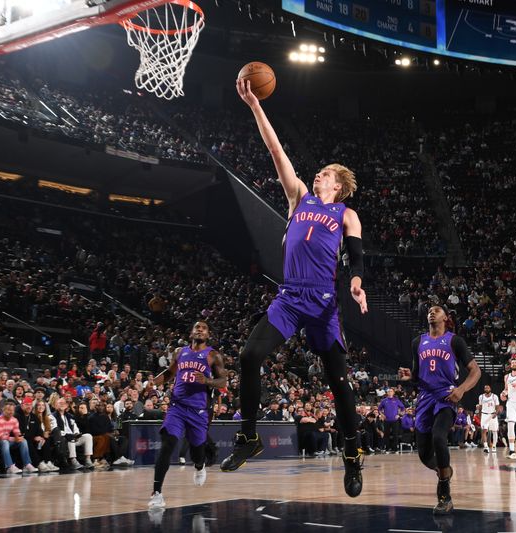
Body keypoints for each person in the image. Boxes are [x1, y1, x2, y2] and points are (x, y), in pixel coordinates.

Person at [221, 78, 368, 500]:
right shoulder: (299, 197)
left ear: (337, 185)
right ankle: (248, 437)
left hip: (323, 302)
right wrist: (254, 105)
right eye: (318, 172)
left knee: (339, 383)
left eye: (325, 173)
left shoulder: (346, 213)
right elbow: (275, 150)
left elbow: (355, 257)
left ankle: (352, 453)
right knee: (249, 356)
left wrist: (356, 283)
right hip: (289, 296)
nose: (317, 174)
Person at [399, 305, 481, 514]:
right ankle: (444, 471)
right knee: (425, 455)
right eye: (430, 310)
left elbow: (476, 371)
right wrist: (410, 378)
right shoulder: (418, 342)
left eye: (437, 310)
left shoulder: (455, 341)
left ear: (446, 317)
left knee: (438, 437)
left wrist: (461, 389)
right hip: (425, 398)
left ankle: (445, 495)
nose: (432, 312)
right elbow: (417, 377)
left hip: (446, 396)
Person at [149, 321, 227, 509]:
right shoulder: (180, 352)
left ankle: (199, 467)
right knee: (168, 444)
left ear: (208, 335)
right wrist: (154, 382)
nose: (200, 329)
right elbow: (170, 373)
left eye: (204, 328)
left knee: (197, 452)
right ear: (191, 332)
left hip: (198, 411)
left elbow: (223, 380)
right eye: (197, 327)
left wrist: (207, 380)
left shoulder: (213, 355)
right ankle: (157, 493)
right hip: (177, 406)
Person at [0, 402, 38, 474]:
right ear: (3, 410)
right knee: (5, 442)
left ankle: (27, 464)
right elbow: (0, 436)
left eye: (12, 410)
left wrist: (19, 437)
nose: (10, 412)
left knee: (23, 441)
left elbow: (17, 432)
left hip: (8, 440)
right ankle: (9, 466)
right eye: (8, 410)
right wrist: (14, 439)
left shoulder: (14, 420)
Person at [378, 388, 404, 453]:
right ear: (387, 393)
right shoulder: (384, 400)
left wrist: (399, 415)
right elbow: (379, 409)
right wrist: (382, 415)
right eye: (388, 391)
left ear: (393, 393)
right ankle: (387, 449)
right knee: (386, 434)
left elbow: (403, 408)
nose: (390, 392)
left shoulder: (397, 400)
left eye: (391, 391)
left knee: (395, 435)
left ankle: (395, 449)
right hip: (386, 420)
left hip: (395, 420)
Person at [478, 385, 500, 454]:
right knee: (484, 431)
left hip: (492, 414)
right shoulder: (481, 397)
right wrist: (479, 415)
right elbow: (480, 406)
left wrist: (496, 413)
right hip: (484, 414)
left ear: (490, 389)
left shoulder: (494, 396)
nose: (486, 389)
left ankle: (494, 446)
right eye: (485, 388)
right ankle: (486, 447)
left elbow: (497, 406)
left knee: (494, 431)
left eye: (487, 388)